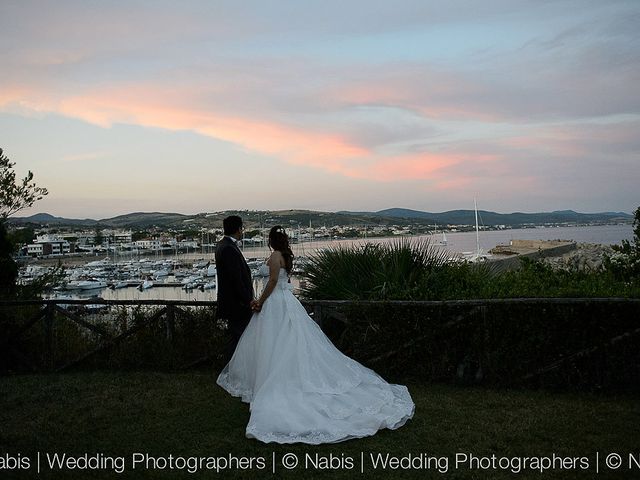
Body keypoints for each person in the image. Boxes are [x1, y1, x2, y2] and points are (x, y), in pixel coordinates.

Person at [217, 226, 414, 444]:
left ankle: (278, 381)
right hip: (287, 302)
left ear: (272, 241)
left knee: (276, 343)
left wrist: (260, 301)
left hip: (275, 304)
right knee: (288, 342)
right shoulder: (285, 256)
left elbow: (272, 282)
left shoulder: (274, 256)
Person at [215, 215, 255, 364]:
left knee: (235, 338)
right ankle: (233, 370)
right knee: (239, 339)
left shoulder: (221, 245)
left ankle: (232, 369)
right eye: (242, 228)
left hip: (231, 302)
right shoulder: (229, 249)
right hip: (237, 304)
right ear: (238, 229)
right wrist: (248, 300)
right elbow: (236, 279)